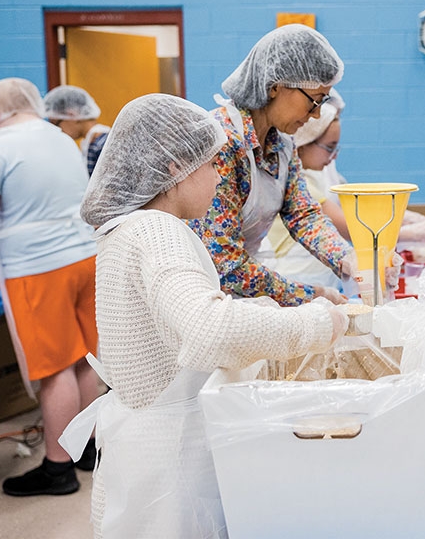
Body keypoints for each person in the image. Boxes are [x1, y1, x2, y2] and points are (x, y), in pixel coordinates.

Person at [63, 93, 346, 538]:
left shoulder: (130, 226)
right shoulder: (159, 232)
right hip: (171, 456)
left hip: (145, 439)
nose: (220, 178)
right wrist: (315, 323)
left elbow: (175, 320)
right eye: (212, 164)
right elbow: (208, 330)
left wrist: (260, 309)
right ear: (174, 169)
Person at [0, 78, 101, 496]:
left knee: (55, 368)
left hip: (39, 268)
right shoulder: (59, 138)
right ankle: (87, 448)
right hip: (83, 259)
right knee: (82, 361)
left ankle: (58, 469)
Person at [189, 24, 377, 306]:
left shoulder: (282, 145)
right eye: (313, 102)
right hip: (201, 293)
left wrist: (347, 259)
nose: (315, 116)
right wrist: (309, 295)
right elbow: (224, 262)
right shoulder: (222, 142)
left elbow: (304, 215)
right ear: (275, 86)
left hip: (240, 292)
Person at [263, 89, 425, 288]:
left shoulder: (313, 177)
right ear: (303, 142)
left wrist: (400, 215)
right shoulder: (303, 182)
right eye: (329, 147)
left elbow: (353, 211)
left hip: (314, 278)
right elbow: (351, 226)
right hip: (296, 277)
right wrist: (406, 232)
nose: (333, 156)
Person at [43, 85, 110, 176]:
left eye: (56, 124)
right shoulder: (92, 143)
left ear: (72, 115)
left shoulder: (100, 146)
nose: (58, 130)